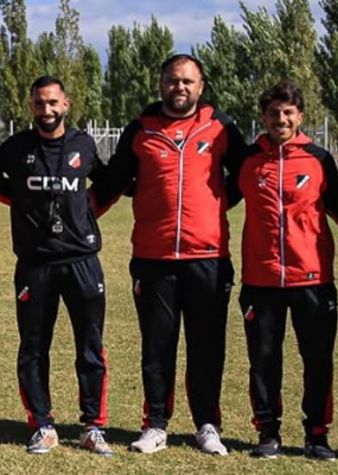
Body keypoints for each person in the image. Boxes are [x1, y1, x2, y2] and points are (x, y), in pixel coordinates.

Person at [91, 54, 246, 455]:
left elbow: (246, 175)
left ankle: (207, 425)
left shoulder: (221, 127)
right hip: (153, 257)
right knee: (157, 346)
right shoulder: (140, 129)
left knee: (206, 346)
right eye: (173, 80)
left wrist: (216, 204)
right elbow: (113, 182)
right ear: (161, 83)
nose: (180, 87)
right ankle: (155, 424)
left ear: (201, 86)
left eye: (188, 81)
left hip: (208, 258)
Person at [0, 76, 112, 456]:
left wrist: (86, 217)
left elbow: (107, 182)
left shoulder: (83, 145)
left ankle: (92, 427)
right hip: (35, 262)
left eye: (53, 103)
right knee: (33, 346)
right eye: (40, 103)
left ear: (66, 104)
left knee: (90, 346)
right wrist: (20, 201)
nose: (47, 110)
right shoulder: (17, 147)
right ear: (31, 107)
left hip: (81, 260)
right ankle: (42, 425)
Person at [236, 81, 338, 461]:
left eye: (288, 113)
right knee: (264, 361)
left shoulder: (319, 159)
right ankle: (268, 432)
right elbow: (213, 197)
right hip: (261, 279)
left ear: (300, 116)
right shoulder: (248, 161)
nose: (280, 119)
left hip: (312, 279)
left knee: (317, 360)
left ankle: (317, 434)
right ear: (263, 117)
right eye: (273, 113)